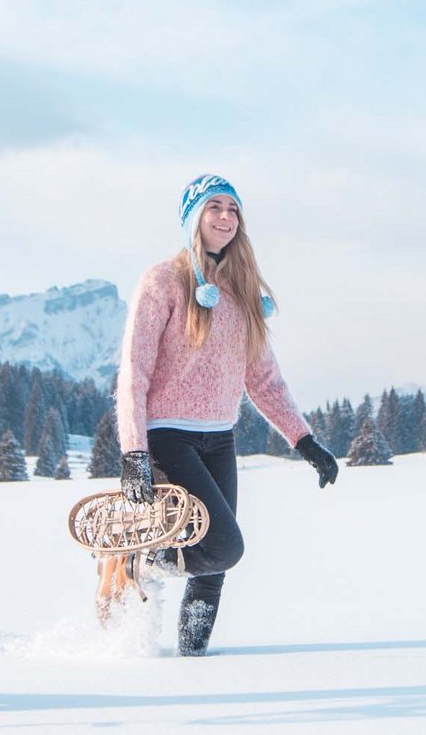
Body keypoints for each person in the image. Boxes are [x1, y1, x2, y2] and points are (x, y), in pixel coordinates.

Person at [114, 173, 339, 657]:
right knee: (223, 548)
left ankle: (194, 662)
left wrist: (305, 441)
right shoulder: (163, 281)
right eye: (214, 207)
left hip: (219, 438)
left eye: (233, 209)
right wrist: (134, 451)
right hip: (168, 437)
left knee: (213, 571)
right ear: (194, 218)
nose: (225, 217)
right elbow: (133, 371)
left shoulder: (241, 293)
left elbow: (264, 379)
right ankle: (147, 562)